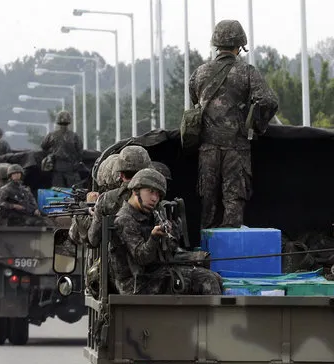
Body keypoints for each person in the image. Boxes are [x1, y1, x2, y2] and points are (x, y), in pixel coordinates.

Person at [189, 19, 278, 229]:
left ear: (216, 45)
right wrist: (256, 125)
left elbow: (195, 106)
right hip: (236, 150)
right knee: (233, 204)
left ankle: (205, 257)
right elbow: (268, 101)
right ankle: (229, 256)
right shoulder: (247, 72)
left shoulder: (199, 74)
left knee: (207, 204)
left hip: (207, 150)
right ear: (240, 46)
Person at [111, 168, 222, 295]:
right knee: (207, 280)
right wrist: (154, 237)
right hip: (138, 285)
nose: (154, 198)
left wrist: (172, 230)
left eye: (158, 194)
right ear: (136, 190)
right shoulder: (125, 219)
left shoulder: (151, 214)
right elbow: (142, 258)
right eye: (150, 191)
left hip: (156, 275)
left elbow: (170, 250)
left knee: (216, 277)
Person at [86, 146, 152, 248]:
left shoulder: (106, 200)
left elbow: (93, 239)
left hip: (117, 262)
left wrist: (93, 215)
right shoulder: (155, 198)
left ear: (120, 174)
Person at [41, 110, 84, 188]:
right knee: (76, 191)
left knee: (58, 191)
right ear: (69, 122)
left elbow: (43, 146)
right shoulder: (74, 136)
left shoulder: (52, 135)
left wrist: (52, 152)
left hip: (58, 167)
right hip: (71, 168)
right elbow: (80, 152)